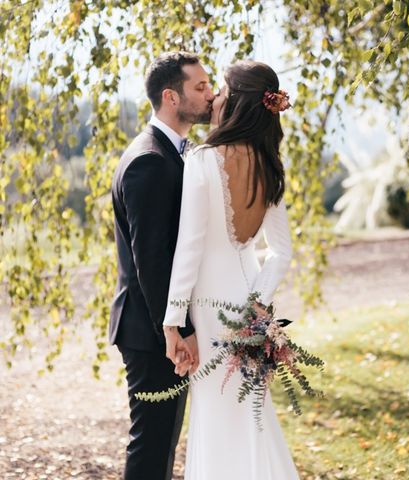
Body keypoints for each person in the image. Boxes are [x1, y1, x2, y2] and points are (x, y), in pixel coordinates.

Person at [162, 60, 299, 479]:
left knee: (217, 415)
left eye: (221, 89)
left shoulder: (203, 159)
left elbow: (189, 248)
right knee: (250, 415)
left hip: (208, 310)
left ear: (236, 102)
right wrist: (258, 305)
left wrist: (172, 322)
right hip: (245, 309)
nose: (216, 97)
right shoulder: (269, 165)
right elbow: (281, 252)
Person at [110, 51, 212, 480]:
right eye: (201, 87)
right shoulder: (150, 160)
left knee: (160, 443)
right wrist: (177, 330)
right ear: (171, 97)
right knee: (152, 446)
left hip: (158, 329)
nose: (211, 95)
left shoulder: (172, 154)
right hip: (153, 333)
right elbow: (150, 261)